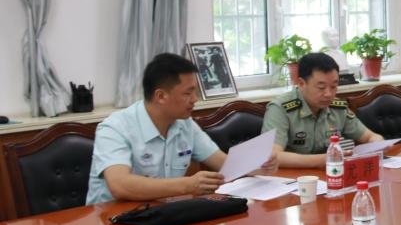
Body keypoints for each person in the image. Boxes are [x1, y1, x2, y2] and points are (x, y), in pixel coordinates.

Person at [87, 53, 276, 205]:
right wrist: (187, 185)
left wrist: (258, 166)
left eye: (195, 91)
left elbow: (223, 164)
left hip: (160, 214)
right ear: (161, 96)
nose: (195, 99)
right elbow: (120, 185)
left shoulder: (185, 124)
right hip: (110, 221)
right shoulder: (114, 128)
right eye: (188, 93)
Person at [262, 52, 382, 168]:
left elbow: (370, 137)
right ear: (301, 83)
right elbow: (272, 155)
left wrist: (377, 144)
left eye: (333, 86)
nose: (328, 94)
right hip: (292, 177)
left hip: (329, 174)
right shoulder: (280, 109)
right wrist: (323, 159)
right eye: (321, 87)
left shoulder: (338, 108)